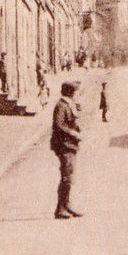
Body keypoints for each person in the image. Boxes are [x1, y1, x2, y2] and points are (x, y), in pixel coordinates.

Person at [50, 80, 83, 219]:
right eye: (76, 92)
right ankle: (61, 208)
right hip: (64, 145)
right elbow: (58, 125)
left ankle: (67, 204)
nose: (77, 94)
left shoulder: (68, 104)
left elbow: (73, 120)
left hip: (69, 144)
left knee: (69, 175)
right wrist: (73, 133)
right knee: (67, 176)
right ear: (70, 92)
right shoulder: (61, 106)